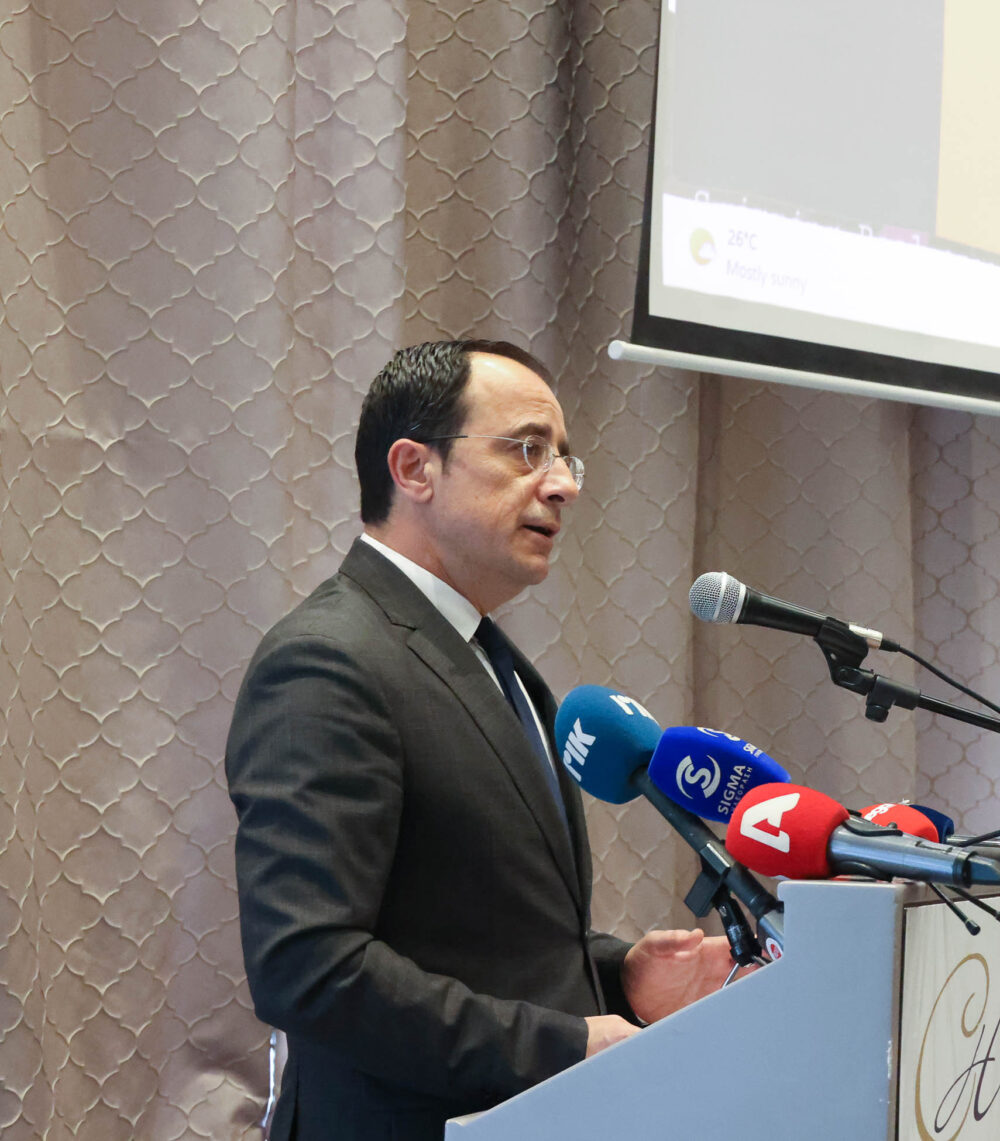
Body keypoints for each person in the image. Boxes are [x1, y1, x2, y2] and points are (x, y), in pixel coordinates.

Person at [227, 339, 733, 1140]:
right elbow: (309, 968)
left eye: (564, 458)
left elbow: (475, 935)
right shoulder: (327, 660)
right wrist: (564, 1044)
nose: (563, 484)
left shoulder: (500, 664)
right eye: (527, 450)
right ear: (414, 468)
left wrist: (616, 973)